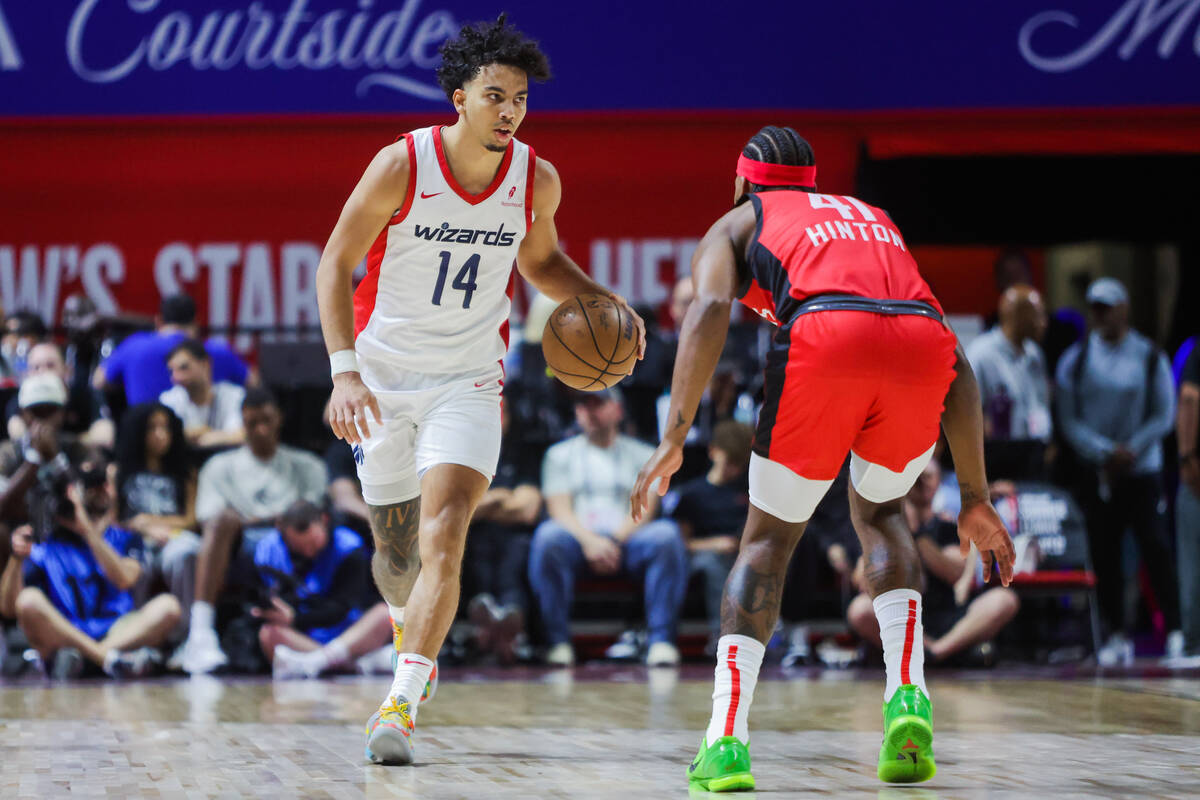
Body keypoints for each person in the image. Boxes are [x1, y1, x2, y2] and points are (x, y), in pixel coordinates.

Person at [631, 126, 1014, 789]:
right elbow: (957, 362)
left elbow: (711, 306)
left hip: (825, 334)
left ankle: (725, 739)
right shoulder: (871, 218)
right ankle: (908, 697)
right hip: (921, 346)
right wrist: (974, 496)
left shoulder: (741, 219)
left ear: (742, 183)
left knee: (769, 541)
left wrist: (674, 434)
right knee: (884, 512)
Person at [314, 14, 644, 765]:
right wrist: (343, 372)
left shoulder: (536, 177)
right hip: (384, 376)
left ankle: (400, 702)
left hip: (468, 376)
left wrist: (603, 305)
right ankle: (408, 625)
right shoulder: (402, 166)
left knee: (445, 532)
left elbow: (543, 264)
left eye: (520, 99)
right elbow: (336, 262)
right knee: (396, 554)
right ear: (457, 98)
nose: (509, 112)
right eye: (494, 95)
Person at [1055, 277, 1181, 665]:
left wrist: (1133, 449)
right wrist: (1104, 453)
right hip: (1100, 474)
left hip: (1142, 472)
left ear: (1124, 309)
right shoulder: (1075, 361)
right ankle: (1114, 633)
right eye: (1095, 307)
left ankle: (1176, 631)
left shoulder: (1149, 356)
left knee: (1156, 548)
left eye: (1108, 307)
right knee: (1105, 554)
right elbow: (1069, 419)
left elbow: (1164, 414)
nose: (1101, 315)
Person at [174, 388, 327, 674]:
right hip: (238, 549)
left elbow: (310, 513)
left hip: (292, 543)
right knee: (222, 521)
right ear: (241, 424)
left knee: (309, 527)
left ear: (279, 418)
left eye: (266, 420)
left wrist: (256, 518)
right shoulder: (218, 466)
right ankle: (201, 632)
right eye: (251, 423)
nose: (260, 429)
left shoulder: (307, 465)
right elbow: (210, 519)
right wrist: (272, 517)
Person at [529, 388, 685, 668]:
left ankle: (661, 641)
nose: (589, 411)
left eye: (597, 404)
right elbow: (559, 508)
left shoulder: (645, 453)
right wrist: (590, 542)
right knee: (547, 536)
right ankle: (557, 642)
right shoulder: (558, 455)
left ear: (618, 411)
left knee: (667, 536)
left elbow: (648, 507)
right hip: (577, 541)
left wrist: (613, 540)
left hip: (628, 540)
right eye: (583, 405)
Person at [0, 459, 181, 678]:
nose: (100, 492)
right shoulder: (44, 547)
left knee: (168, 606)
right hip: (65, 633)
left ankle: (91, 659)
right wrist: (16, 559)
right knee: (28, 600)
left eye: (104, 485)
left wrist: (87, 530)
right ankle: (106, 659)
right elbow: (10, 608)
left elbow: (125, 578)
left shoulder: (124, 537)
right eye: (91, 489)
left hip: (116, 630)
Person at [847, 459, 1019, 666]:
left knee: (1004, 600)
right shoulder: (883, 529)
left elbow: (955, 572)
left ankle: (936, 652)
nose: (922, 483)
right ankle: (922, 649)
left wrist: (918, 536)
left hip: (948, 617)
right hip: (901, 618)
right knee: (859, 609)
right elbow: (861, 580)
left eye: (928, 477)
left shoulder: (948, 526)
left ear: (938, 483)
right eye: (917, 477)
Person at [250, 500, 394, 680]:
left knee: (384, 614)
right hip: (306, 639)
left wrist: (295, 618)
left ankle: (315, 663)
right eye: (299, 547)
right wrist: (272, 611)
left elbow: (341, 608)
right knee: (268, 634)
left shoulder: (348, 546)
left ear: (324, 520)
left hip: (348, 634)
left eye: (313, 543)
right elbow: (257, 599)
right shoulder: (268, 551)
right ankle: (351, 666)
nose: (308, 552)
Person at [464, 401, 540, 665]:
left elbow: (527, 509)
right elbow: (452, 512)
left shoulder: (522, 455)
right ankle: (497, 623)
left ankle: (503, 620)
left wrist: (479, 504)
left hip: (514, 537)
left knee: (514, 556)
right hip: (473, 538)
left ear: (508, 416)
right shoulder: (461, 455)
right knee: (475, 548)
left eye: (498, 410)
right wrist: (500, 497)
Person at [115, 403, 198, 639]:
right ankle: (134, 634)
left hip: (172, 536)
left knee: (186, 551)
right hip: (135, 538)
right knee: (132, 563)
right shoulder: (119, 471)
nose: (161, 435)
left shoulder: (185, 472)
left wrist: (156, 524)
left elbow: (191, 520)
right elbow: (113, 520)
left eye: (166, 428)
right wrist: (140, 526)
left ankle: (186, 636)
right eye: (153, 428)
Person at [664, 420, 752, 643]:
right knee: (714, 562)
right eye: (730, 461)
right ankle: (722, 636)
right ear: (713, 451)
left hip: (741, 554)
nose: (734, 469)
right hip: (702, 557)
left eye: (739, 464)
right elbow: (681, 543)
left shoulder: (748, 492)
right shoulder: (692, 494)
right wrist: (715, 544)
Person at [95, 294, 249, 407]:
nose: (177, 378)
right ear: (197, 322)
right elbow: (254, 383)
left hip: (147, 443)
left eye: (184, 368)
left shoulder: (133, 346)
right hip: (204, 444)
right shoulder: (218, 351)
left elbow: (99, 381)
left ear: (159, 321)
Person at [966, 285, 1052, 480]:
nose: (1044, 323)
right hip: (998, 458)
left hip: (1034, 454)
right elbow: (967, 415)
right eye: (1038, 315)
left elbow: (1041, 404)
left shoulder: (1035, 354)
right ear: (1018, 316)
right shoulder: (981, 354)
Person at [159, 339, 246, 449]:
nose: (176, 377)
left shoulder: (234, 395)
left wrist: (199, 434)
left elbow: (241, 435)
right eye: (171, 371)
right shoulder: (168, 399)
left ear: (205, 364)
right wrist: (212, 433)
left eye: (184, 368)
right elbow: (167, 436)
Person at [1172, 342, 1200, 667]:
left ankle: (1194, 644)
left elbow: (1190, 397)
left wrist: (1187, 454)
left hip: (1196, 473)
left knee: (1192, 556)